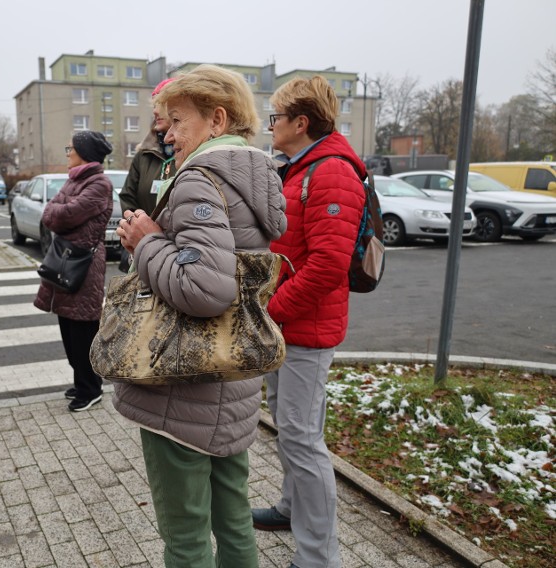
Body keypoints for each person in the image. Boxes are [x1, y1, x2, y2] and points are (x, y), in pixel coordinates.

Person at [112, 64, 286, 568]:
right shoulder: (250, 179)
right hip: (230, 385)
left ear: (216, 118)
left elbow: (204, 289)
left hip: (182, 389)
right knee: (233, 521)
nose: (166, 132)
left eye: (177, 120)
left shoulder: (199, 181)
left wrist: (145, 242)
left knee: (185, 536)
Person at [251, 75, 367, 568]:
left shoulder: (331, 173)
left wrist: (267, 312)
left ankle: (319, 557)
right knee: (291, 427)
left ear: (302, 122)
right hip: (289, 326)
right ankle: (290, 507)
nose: (268, 125)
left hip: (305, 329)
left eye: (275, 117)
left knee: (302, 436)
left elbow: (326, 267)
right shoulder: (302, 167)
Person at [33, 130, 114, 412]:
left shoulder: (99, 184)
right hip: (65, 259)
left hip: (83, 265)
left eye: (71, 148)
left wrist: (58, 211)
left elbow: (64, 215)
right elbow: (50, 213)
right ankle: (81, 381)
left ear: (85, 153)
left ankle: (91, 388)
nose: (67, 152)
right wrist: (57, 211)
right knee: (67, 328)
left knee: (82, 332)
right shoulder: (75, 181)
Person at [119, 78, 175, 216]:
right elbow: (127, 198)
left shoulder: (196, 153)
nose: (155, 111)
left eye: (161, 104)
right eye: (154, 106)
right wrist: (136, 225)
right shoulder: (143, 154)